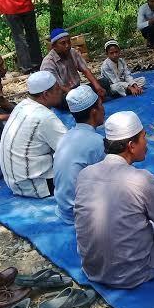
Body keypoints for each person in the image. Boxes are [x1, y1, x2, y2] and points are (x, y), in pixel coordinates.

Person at [74, 111, 154, 288]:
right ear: (131, 145)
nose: (147, 143)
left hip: (92, 270)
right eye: (144, 137)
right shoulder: (141, 180)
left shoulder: (85, 174)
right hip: (132, 273)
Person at [0, 71, 67, 198]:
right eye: (58, 89)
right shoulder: (45, 117)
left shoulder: (21, 106)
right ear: (46, 94)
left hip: (14, 181)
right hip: (35, 184)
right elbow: (70, 150)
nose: (61, 91)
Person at [53, 86, 105, 224]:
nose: (103, 109)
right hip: (83, 215)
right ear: (94, 112)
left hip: (64, 209)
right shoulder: (97, 142)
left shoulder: (65, 137)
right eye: (101, 105)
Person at [40, 28, 107, 108]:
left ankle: (87, 102)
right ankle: (88, 101)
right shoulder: (48, 63)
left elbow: (86, 71)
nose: (67, 45)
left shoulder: (73, 52)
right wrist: (76, 96)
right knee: (65, 101)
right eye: (63, 43)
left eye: (68, 42)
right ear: (54, 46)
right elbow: (58, 87)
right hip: (62, 94)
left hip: (77, 89)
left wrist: (97, 87)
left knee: (104, 83)